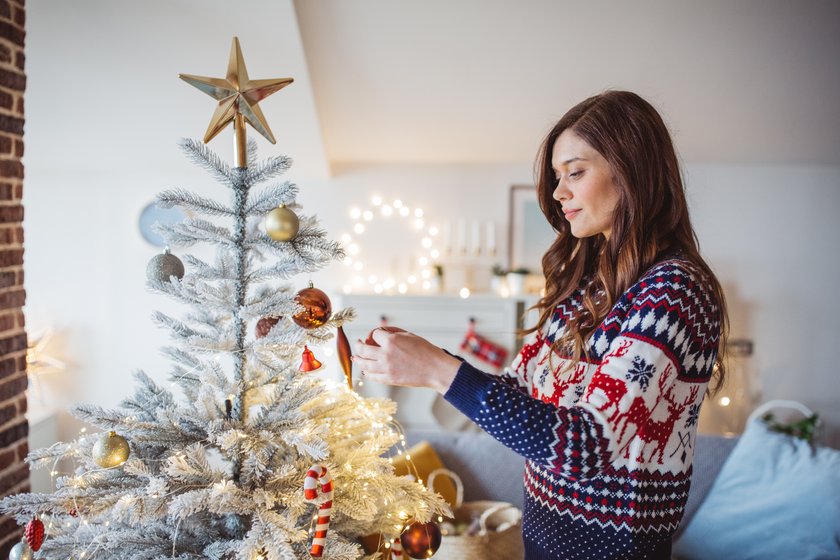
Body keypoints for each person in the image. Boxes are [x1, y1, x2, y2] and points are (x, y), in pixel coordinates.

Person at [353, 90, 728, 560]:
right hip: (541, 542)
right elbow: (518, 390)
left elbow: (585, 447)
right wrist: (429, 358)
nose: (557, 192)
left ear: (631, 169)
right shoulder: (589, 287)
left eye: (575, 172)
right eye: (557, 176)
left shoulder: (674, 290)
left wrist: (436, 370)